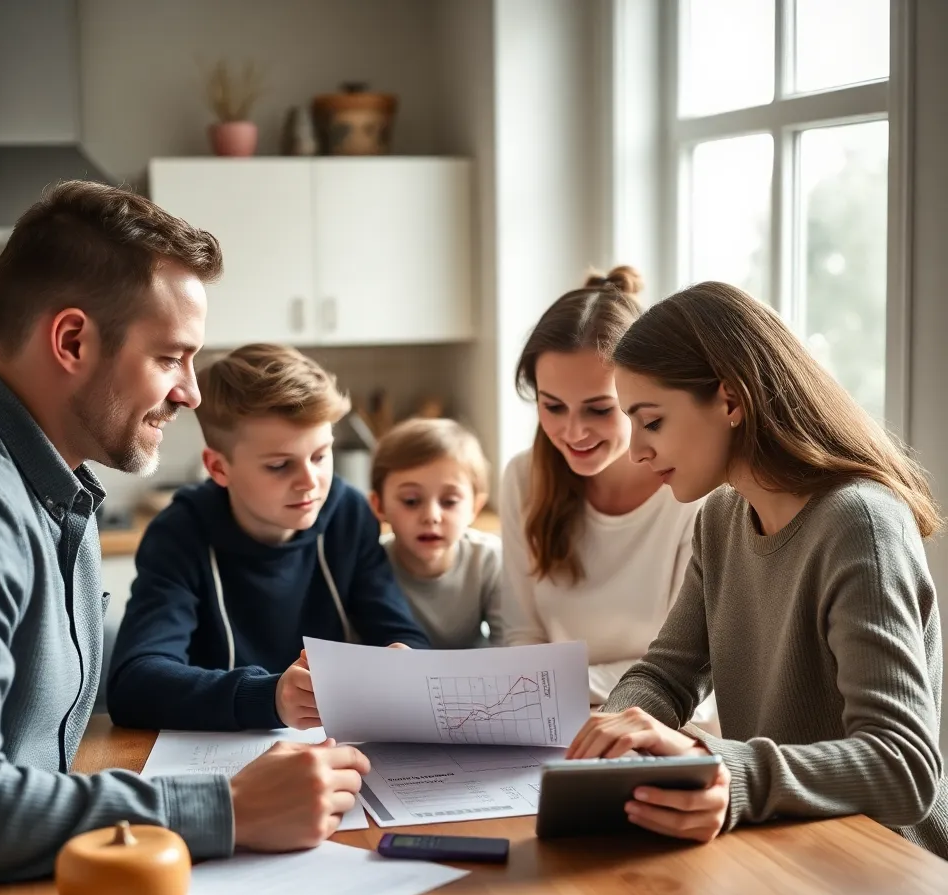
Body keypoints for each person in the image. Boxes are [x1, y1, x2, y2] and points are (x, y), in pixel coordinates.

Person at [0, 182, 369, 895]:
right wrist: (228, 807)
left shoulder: (55, 487)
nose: (190, 392)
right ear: (72, 342)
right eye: (170, 357)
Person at [566, 281, 948, 860]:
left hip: (885, 867)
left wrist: (723, 767)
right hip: (778, 847)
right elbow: (669, 674)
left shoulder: (859, 525)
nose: (635, 450)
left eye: (652, 421)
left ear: (730, 400)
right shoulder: (720, 517)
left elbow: (904, 768)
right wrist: (618, 731)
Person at [107, 344, 429, 733]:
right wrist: (269, 696)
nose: (310, 482)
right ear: (218, 468)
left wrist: (406, 660)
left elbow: (400, 633)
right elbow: (134, 685)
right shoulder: (179, 534)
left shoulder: (349, 514)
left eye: (321, 456)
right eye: (279, 465)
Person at [501, 266, 715, 721]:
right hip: (552, 722)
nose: (572, 431)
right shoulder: (523, 478)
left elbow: (692, 673)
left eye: (599, 409)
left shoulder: (692, 494)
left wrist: (553, 688)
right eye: (552, 406)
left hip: (665, 728)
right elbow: (522, 636)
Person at [370, 417, 502, 648]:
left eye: (449, 501)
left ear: (475, 507)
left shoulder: (489, 559)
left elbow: (509, 646)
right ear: (379, 505)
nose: (431, 516)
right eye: (411, 501)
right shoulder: (370, 564)